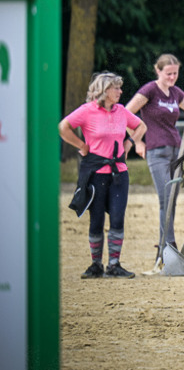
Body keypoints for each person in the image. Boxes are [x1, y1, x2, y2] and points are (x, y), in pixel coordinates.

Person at [59, 72, 147, 279]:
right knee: (96, 219)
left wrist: (130, 142)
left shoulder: (121, 111)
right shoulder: (87, 111)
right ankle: (96, 264)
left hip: (119, 173)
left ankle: (114, 264)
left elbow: (141, 126)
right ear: (104, 91)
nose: (120, 91)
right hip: (96, 173)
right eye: (116, 88)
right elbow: (63, 127)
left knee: (117, 217)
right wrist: (81, 145)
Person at [126, 54, 184, 252]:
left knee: (172, 200)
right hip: (157, 151)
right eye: (168, 74)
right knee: (165, 198)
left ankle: (166, 243)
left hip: (176, 151)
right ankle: (168, 244)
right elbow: (126, 113)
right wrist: (137, 141)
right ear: (158, 70)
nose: (172, 77)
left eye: (175, 73)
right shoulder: (150, 90)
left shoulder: (175, 92)